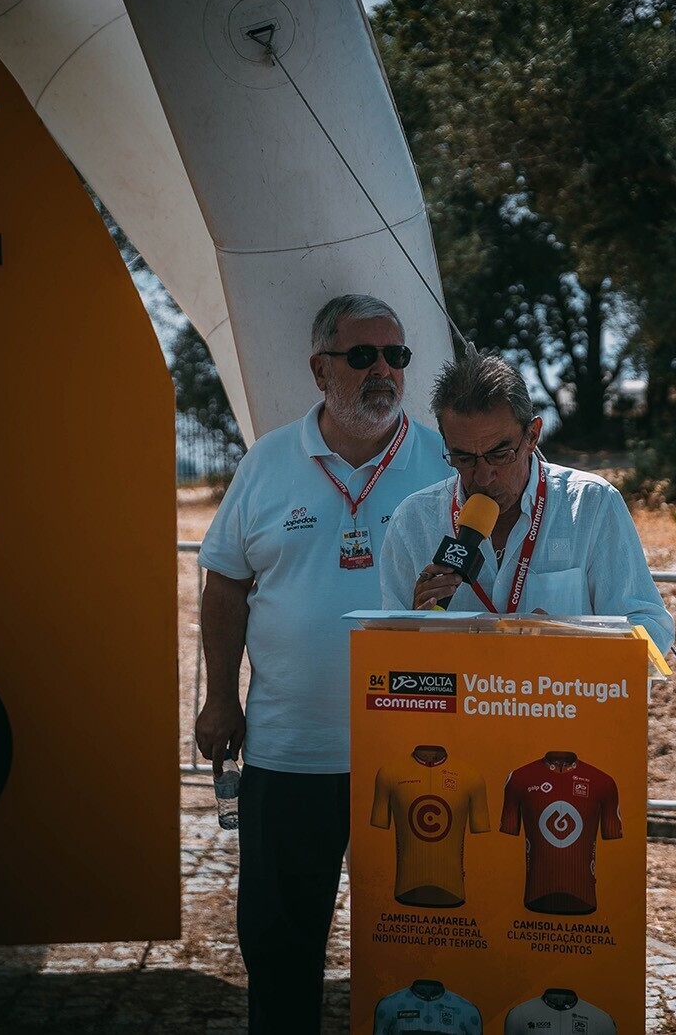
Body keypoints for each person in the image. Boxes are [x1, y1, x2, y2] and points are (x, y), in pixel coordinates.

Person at [194, 294, 451, 1032]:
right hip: (290, 751)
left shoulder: (443, 462)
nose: (383, 372)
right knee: (279, 944)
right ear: (319, 369)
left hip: (416, 754)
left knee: (419, 945)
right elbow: (225, 585)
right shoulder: (269, 461)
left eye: (396, 356)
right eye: (362, 356)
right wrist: (220, 698)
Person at [378, 351, 672, 654]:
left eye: (499, 454)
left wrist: (570, 642)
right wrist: (412, 626)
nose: (483, 477)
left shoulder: (591, 504)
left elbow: (652, 631)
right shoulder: (413, 521)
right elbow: (388, 656)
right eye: (463, 457)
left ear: (532, 436)